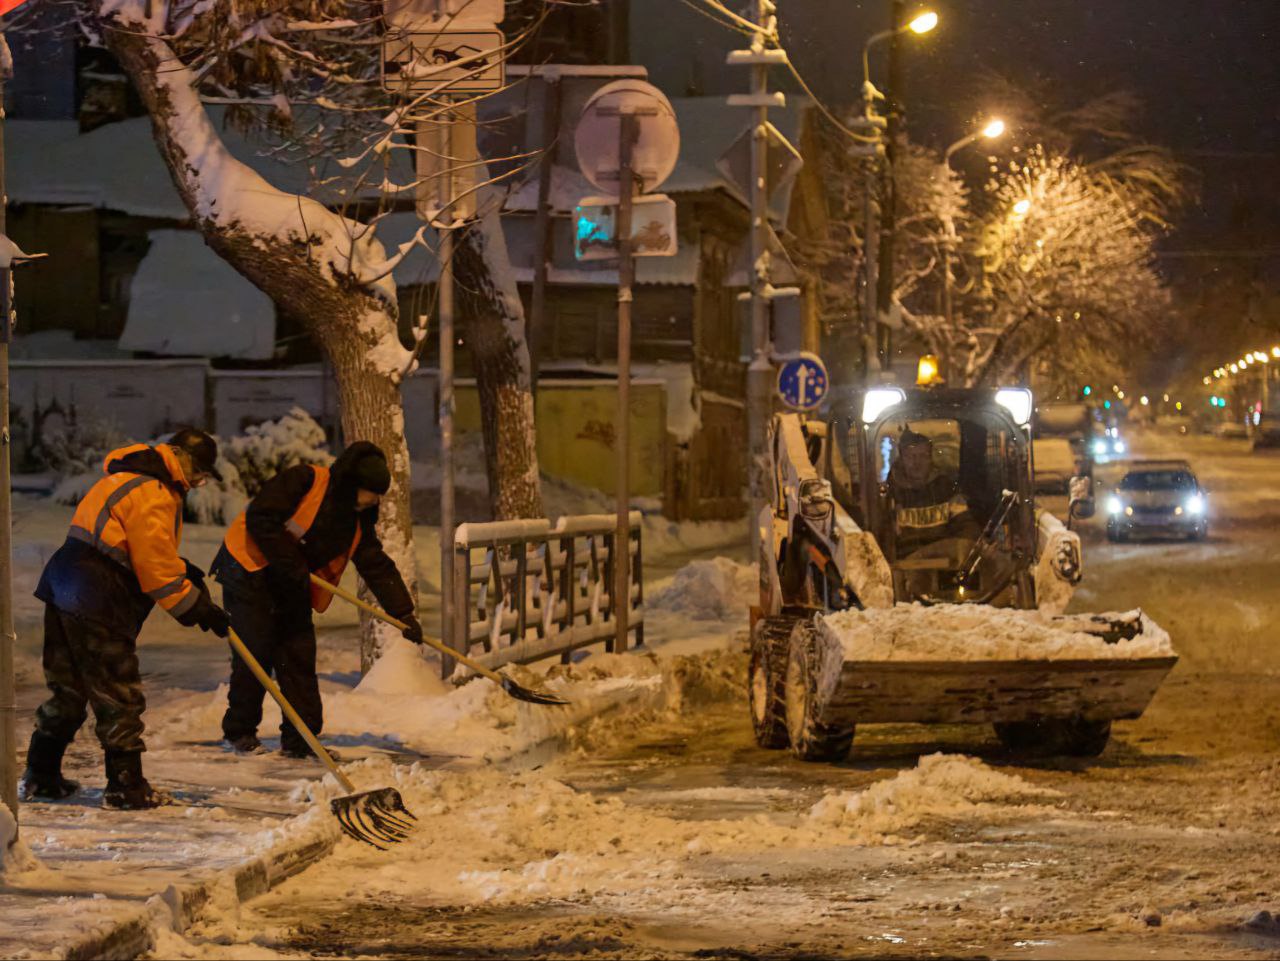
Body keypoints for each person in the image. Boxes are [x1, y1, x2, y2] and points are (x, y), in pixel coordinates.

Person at [21, 429, 230, 810]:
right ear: (176, 454)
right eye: (197, 469)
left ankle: (41, 775)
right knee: (117, 692)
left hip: (65, 583)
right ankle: (125, 788)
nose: (199, 480)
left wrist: (182, 569)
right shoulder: (153, 491)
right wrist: (196, 607)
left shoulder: (125, 478)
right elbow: (153, 570)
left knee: (68, 689)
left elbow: (129, 544)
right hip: (98, 593)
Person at [213, 441, 424, 758]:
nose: (375, 500)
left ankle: (301, 740)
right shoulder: (304, 481)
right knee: (254, 653)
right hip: (248, 571)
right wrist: (292, 564)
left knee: (298, 658)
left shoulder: (358, 515)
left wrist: (403, 613)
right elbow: (261, 518)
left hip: (290, 582)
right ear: (352, 484)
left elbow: (373, 561)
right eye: (370, 492)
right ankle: (240, 732)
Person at [888, 428, 980, 556]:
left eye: (923, 456)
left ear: (930, 458)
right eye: (910, 456)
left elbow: (966, 525)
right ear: (901, 459)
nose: (917, 463)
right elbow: (882, 537)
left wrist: (963, 550)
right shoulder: (890, 493)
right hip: (904, 568)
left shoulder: (946, 490)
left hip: (945, 566)